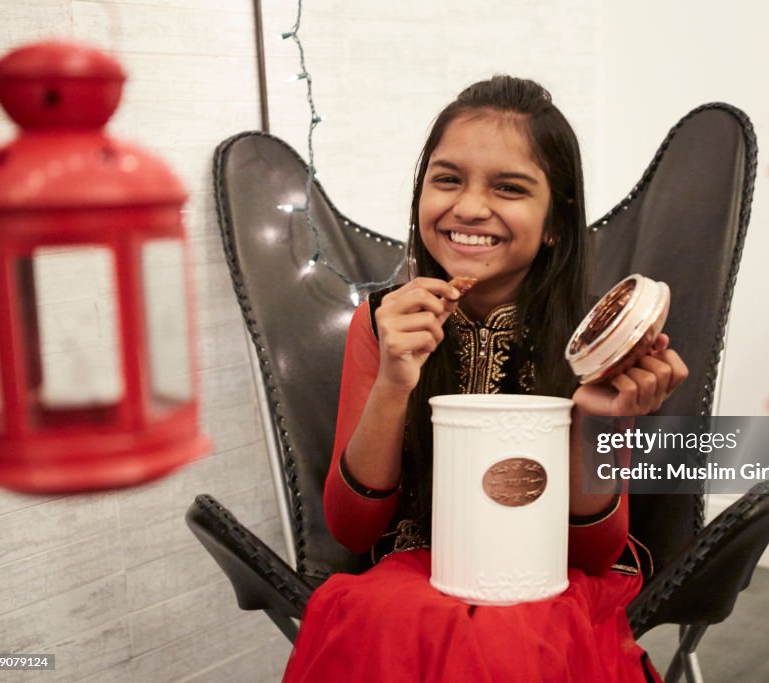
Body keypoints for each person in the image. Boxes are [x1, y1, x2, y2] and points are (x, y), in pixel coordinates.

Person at [282, 75, 688, 682]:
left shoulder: (594, 337)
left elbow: (594, 553)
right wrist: (395, 380)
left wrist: (599, 422)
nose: (469, 207)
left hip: (553, 582)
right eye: (447, 179)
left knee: (504, 642)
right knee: (386, 613)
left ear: (555, 219)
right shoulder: (381, 323)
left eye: (509, 187)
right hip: (416, 571)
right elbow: (352, 529)